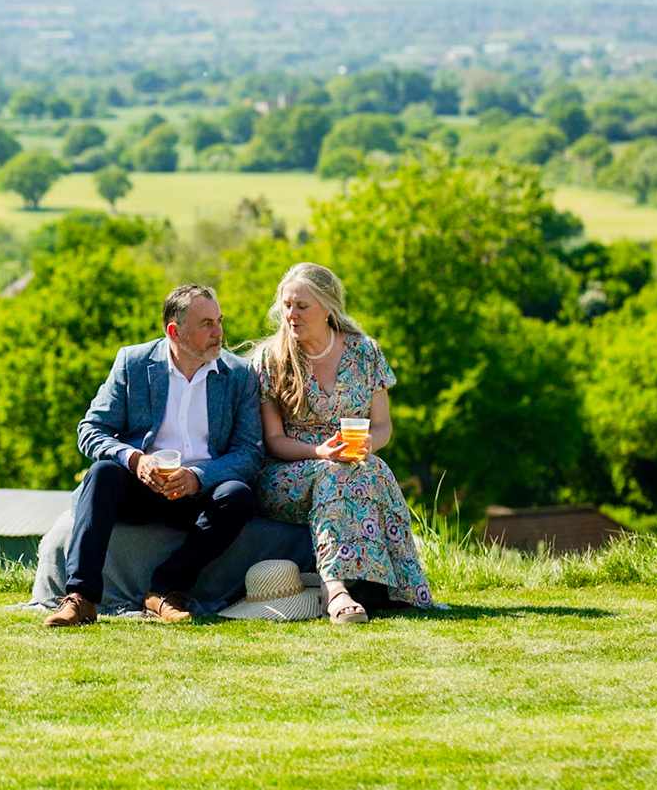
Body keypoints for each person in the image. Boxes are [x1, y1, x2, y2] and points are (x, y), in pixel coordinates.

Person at [44, 284, 265, 626]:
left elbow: (249, 453)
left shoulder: (238, 375)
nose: (219, 333)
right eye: (206, 324)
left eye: (219, 321)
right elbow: (90, 430)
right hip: (141, 487)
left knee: (238, 496)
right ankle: (82, 598)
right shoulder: (133, 363)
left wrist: (198, 478)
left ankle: (164, 591)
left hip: (200, 494)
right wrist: (133, 459)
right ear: (174, 332)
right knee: (102, 473)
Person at [250, 262, 434, 624]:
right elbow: (273, 441)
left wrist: (367, 445)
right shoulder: (272, 359)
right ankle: (334, 588)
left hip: (349, 464)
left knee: (374, 468)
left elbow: (382, 427)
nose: (291, 315)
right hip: (287, 473)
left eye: (301, 306)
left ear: (328, 307)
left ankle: (388, 589)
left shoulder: (366, 353)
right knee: (335, 472)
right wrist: (319, 452)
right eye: (286, 305)